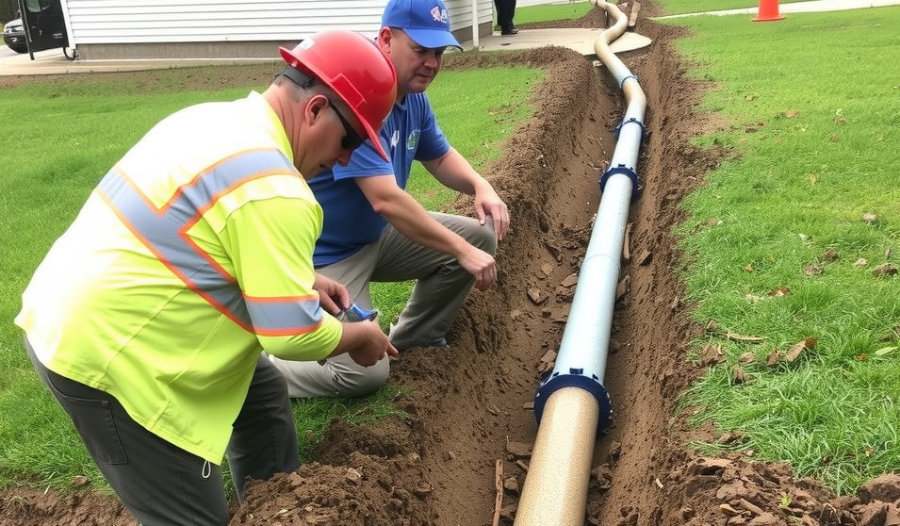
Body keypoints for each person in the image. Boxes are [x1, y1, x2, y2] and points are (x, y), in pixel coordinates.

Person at [14, 30, 398, 526]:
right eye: (350, 141)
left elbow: (200, 237)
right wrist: (358, 338)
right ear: (316, 108)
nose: (346, 159)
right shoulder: (277, 189)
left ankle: (282, 509)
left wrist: (299, 283)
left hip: (73, 310)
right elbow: (292, 336)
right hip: (113, 363)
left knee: (259, 394)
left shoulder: (211, 119)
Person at [268, 0, 511, 399]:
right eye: (420, 50)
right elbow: (386, 200)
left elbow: (439, 155)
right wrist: (460, 251)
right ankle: (277, 370)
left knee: (479, 239)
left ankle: (415, 341)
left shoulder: (413, 97)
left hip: (379, 239)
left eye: (439, 53)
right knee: (362, 377)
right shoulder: (361, 98)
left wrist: (479, 185)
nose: (431, 62)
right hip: (330, 259)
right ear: (386, 38)